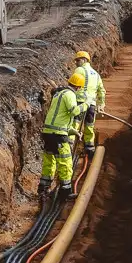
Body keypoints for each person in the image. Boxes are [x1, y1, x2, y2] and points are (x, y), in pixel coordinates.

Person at [38, 70, 87, 198]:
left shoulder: (59, 94)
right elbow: (73, 111)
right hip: (58, 135)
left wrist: (73, 131)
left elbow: (59, 118)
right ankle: (65, 192)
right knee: (65, 162)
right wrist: (85, 106)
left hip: (49, 133)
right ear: (78, 87)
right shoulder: (70, 95)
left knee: (49, 161)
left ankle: (43, 188)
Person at [72, 50, 105, 156]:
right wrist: (101, 104)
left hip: (80, 102)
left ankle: (69, 145)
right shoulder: (96, 74)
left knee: (75, 125)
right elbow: (101, 90)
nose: (76, 62)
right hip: (91, 105)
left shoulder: (79, 70)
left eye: (78, 60)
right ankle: (89, 148)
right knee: (89, 126)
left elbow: (73, 85)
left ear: (84, 60)